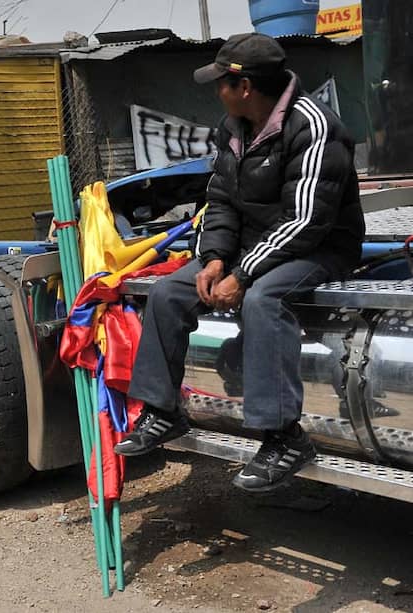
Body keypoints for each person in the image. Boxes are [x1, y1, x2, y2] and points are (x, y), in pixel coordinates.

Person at [114, 33, 364, 492]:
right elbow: (222, 200)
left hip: (319, 247)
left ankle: (284, 437)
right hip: (254, 245)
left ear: (244, 86)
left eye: (220, 83)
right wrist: (212, 260)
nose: (216, 91)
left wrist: (243, 273)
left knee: (264, 299)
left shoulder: (313, 125)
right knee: (171, 292)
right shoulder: (232, 127)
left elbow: (307, 220)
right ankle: (163, 412)